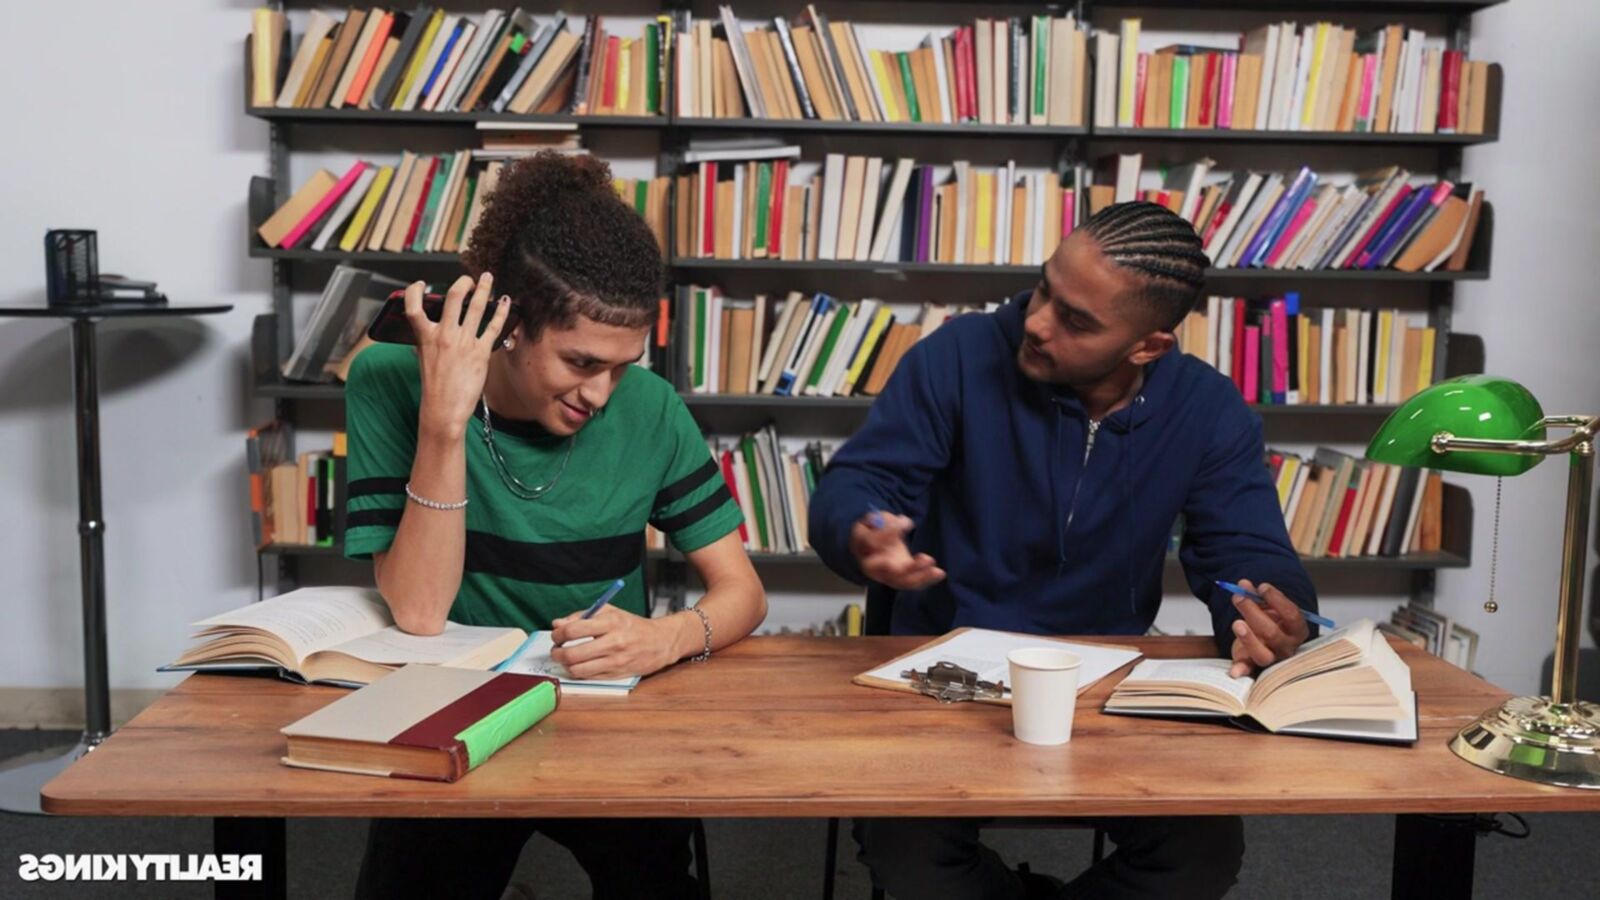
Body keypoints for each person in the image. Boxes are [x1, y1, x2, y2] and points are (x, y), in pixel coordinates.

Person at [808, 201, 1320, 899]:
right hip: (944, 682)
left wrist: (1273, 609)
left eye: (1075, 319)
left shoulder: (1207, 408)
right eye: (1045, 287)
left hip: (1103, 690)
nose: (1037, 321)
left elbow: (1248, 547)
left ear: (1148, 347)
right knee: (908, 852)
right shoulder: (956, 358)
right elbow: (860, 481)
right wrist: (861, 529)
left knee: (1199, 850)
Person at [343, 151, 765, 900]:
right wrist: (444, 423)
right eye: (579, 361)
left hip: (605, 716)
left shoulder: (651, 409)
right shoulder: (390, 379)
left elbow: (742, 593)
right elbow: (417, 610)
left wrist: (663, 637)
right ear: (507, 323)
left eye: (622, 365)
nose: (601, 393)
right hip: (454, 712)